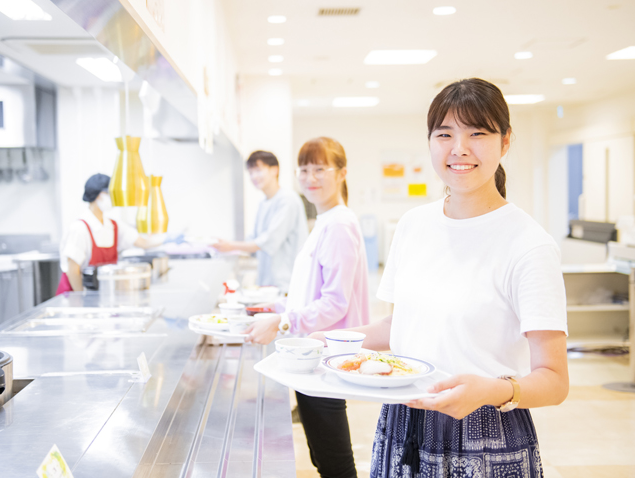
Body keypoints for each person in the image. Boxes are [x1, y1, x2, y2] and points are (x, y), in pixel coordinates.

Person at [313, 79, 569, 477]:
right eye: (444, 134)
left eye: (477, 133)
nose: (459, 148)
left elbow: (554, 381)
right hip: (403, 421)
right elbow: (400, 324)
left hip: (488, 433)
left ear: (504, 142)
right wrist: (324, 342)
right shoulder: (414, 225)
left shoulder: (529, 245)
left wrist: (495, 390)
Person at [246, 138, 370, 478]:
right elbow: (312, 292)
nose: (310, 177)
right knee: (324, 457)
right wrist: (274, 307)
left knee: (335, 463)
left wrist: (283, 321)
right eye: (303, 169)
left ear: (342, 173)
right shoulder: (325, 221)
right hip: (312, 356)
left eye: (319, 169)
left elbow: (335, 303)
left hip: (326, 357)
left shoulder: (340, 225)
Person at [213, 151, 308, 293]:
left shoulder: (287, 200)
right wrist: (226, 248)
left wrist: (230, 245)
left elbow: (268, 241)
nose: (254, 177)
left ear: (274, 170)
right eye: (250, 172)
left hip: (286, 284)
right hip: (267, 284)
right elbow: (253, 239)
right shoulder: (263, 203)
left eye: (258, 170)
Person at [56, 173, 160, 294]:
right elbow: (73, 270)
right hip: (74, 295)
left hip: (98, 294)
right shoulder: (80, 228)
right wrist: (81, 299)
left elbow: (142, 242)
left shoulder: (113, 226)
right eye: (110, 193)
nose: (113, 198)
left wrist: (166, 240)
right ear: (98, 195)